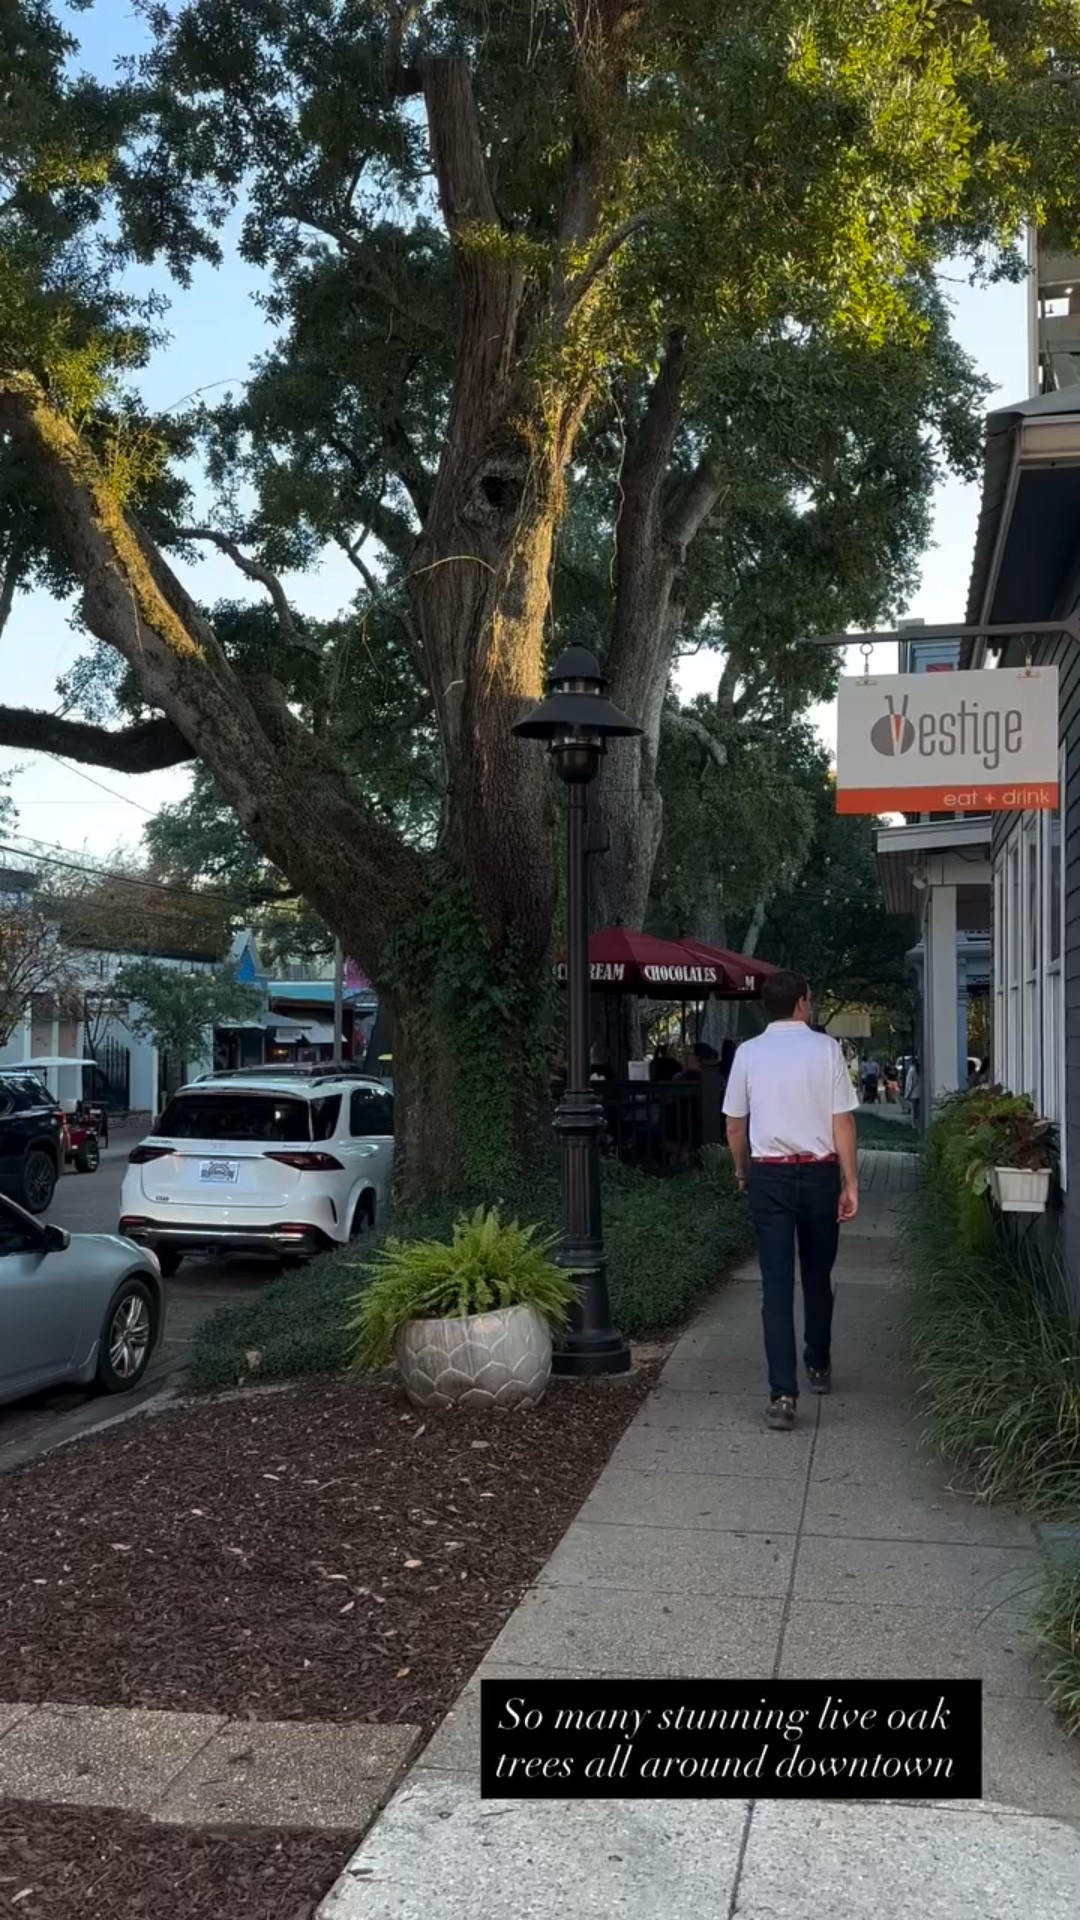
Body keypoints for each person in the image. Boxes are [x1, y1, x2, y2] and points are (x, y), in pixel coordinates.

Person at [723, 969, 859, 1431]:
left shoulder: (748, 1053)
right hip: (820, 1173)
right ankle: (817, 1362)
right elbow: (843, 1122)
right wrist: (851, 1181)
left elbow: (734, 1125)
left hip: (770, 1176)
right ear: (802, 1002)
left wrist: (743, 1168)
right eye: (812, 997)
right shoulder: (827, 1050)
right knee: (818, 1275)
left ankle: (782, 1394)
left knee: (775, 1286)